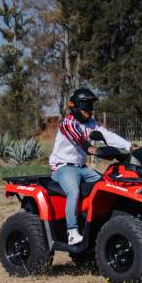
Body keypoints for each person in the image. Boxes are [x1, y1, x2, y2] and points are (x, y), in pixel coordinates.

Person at [49, 88, 130, 245]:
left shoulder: (91, 123)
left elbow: (107, 136)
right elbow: (79, 139)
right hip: (63, 168)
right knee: (74, 191)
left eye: (92, 105)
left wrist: (128, 146)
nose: (90, 110)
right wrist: (92, 149)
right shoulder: (68, 123)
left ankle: (100, 224)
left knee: (106, 183)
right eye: (87, 105)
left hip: (81, 167)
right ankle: (72, 232)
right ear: (76, 106)